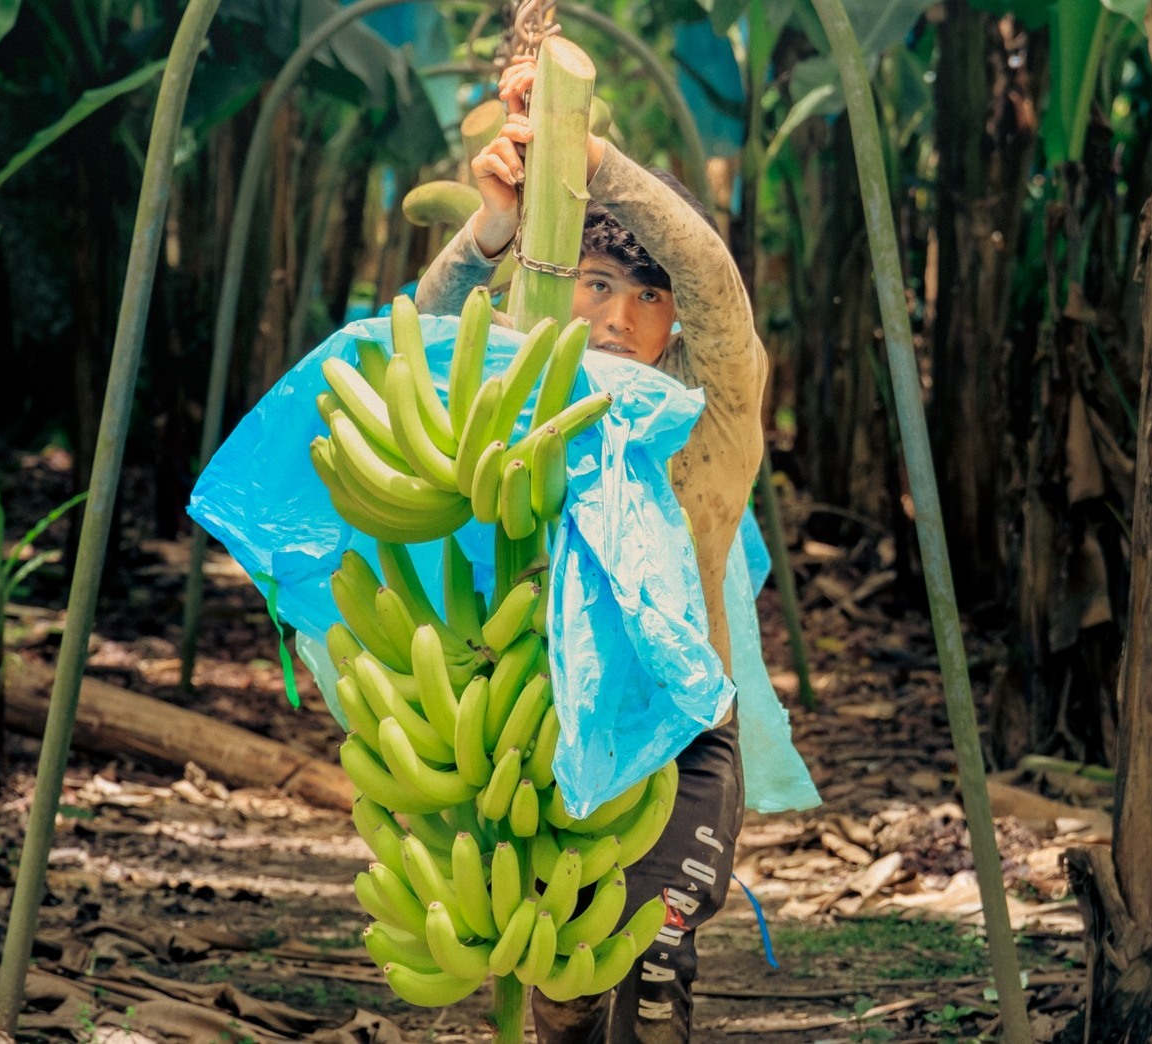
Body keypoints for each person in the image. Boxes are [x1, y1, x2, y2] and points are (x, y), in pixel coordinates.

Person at [414, 59, 768, 1044]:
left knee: (652, 971)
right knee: (564, 993)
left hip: (681, 733)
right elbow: (423, 345)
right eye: (597, 284)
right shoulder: (519, 399)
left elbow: (712, 278)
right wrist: (491, 232)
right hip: (535, 727)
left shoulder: (707, 411)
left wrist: (593, 164)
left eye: (649, 297)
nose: (619, 318)